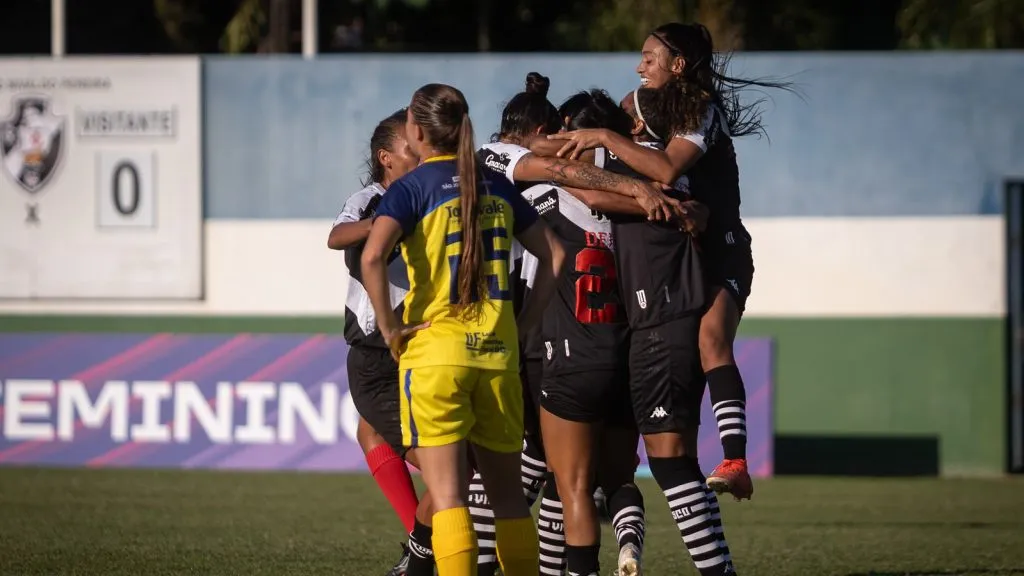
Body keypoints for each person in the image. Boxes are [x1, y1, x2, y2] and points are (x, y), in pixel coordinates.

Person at [548, 22, 793, 503]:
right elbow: (621, 147)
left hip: (723, 249)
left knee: (710, 340)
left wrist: (604, 136)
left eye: (649, 57)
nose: (639, 67)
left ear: (677, 65)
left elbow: (664, 169)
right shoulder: (645, 107)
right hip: (686, 254)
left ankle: (737, 461)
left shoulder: (700, 109)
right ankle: (625, 469)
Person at [361, 83, 566, 576]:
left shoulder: (412, 187)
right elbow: (557, 254)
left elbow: (371, 257)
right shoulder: (496, 185)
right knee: (510, 501)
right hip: (498, 357)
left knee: (450, 498)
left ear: (415, 127)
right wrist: (527, 321)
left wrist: (391, 330)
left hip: (436, 356)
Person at [327, 109, 435, 576]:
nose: (423, 154)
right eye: (414, 148)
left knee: (398, 441)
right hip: (377, 348)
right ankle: (424, 543)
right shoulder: (371, 199)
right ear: (386, 158)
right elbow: (336, 237)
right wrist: (386, 222)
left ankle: (424, 546)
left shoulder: (433, 194)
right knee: (379, 434)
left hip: (421, 343)